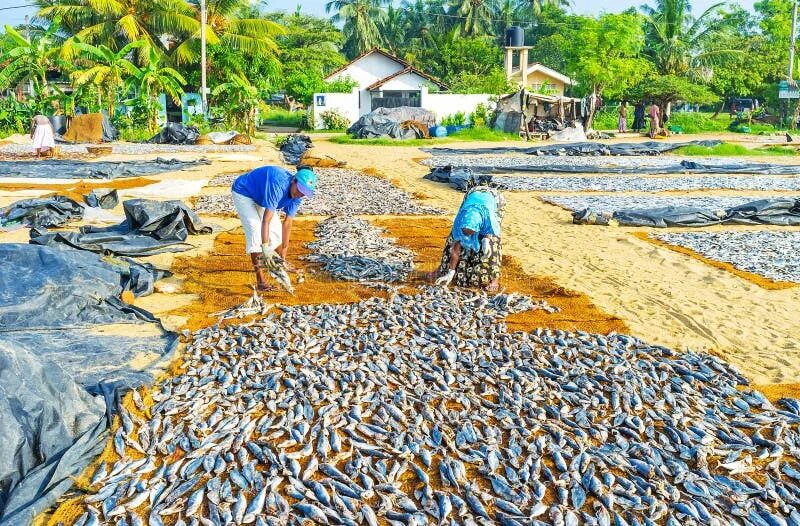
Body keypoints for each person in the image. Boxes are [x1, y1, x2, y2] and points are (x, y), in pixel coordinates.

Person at [231, 165, 317, 291]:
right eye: (299, 190)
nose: (299, 194)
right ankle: (261, 281)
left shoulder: (297, 196)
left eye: (304, 192)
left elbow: (287, 223)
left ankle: (278, 264)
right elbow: (266, 220)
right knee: (255, 234)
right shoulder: (278, 185)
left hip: (261, 196)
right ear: (293, 180)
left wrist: (283, 255)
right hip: (244, 191)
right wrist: (265, 247)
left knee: (276, 234)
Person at [432, 186, 505, 293]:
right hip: (472, 196)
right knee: (451, 242)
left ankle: (494, 280)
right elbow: (456, 246)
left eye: (471, 233)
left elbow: (489, 231)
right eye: (465, 233)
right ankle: (443, 270)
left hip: (495, 200)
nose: (468, 236)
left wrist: (486, 239)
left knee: (493, 246)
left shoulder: (489, 218)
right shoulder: (459, 222)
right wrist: (451, 272)